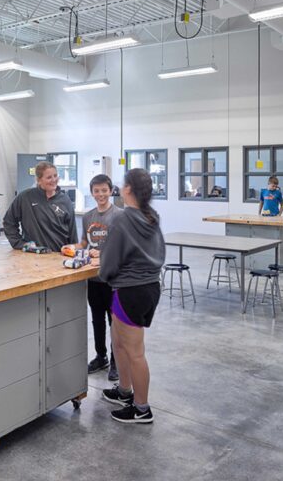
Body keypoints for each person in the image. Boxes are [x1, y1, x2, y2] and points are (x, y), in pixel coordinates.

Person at [99, 168, 165, 424]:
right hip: (149, 287)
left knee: (135, 352)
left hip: (129, 291)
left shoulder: (123, 220)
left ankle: (141, 408)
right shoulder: (151, 216)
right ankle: (124, 391)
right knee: (119, 342)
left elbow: (109, 263)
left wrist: (105, 273)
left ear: (127, 189)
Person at [60, 175, 122, 381]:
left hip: (113, 280)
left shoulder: (120, 216)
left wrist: (103, 252)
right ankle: (101, 356)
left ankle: (117, 362)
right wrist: (72, 248)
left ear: (111, 191)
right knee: (97, 320)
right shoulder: (88, 216)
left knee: (115, 323)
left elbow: (124, 247)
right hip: (93, 279)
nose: (101, 194)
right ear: (92, 192)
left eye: (104, 190)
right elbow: (84, 243)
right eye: (96, 191)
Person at [3, 161, 77, 252]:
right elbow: (8, 222)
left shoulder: (65, 200)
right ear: (38, 180)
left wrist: (73, 250)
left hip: (59, 256)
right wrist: (19, 243)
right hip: (33, 256)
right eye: (49, 177)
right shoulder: (25, 198)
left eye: (55, 175)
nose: (54, 180)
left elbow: (72, 232)